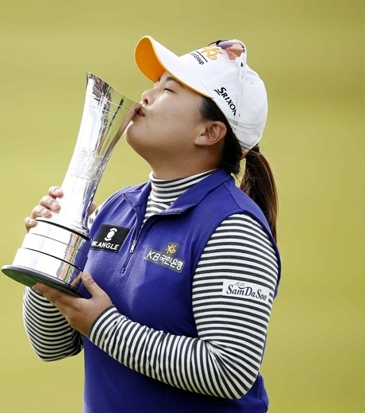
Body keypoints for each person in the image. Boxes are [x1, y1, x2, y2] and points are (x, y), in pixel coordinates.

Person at [21, 35, 281, 412]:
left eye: (169, 90)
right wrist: (50, 257)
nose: (146, 95)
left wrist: (104, 327)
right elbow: (51, 345)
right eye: (155, 83)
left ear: (209, 132)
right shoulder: (116, 209)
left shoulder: (232, 227)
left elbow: (229, 369)